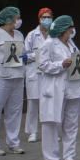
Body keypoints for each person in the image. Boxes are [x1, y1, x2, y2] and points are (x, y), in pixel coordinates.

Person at [38, 15, 80, 160]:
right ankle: (51, 158)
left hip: (73, 88)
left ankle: (69, 156)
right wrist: (61, 64)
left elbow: (76, 61)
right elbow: (42, 65)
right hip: (55, 89)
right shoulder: (48, 43)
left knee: (71, 124)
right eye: (71, 27)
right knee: (52, 123)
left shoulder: (70, 43)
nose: (73, 30)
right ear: (64, 29)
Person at [0, 6, 27, 156]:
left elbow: (23, 53)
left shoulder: (20, 35)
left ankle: (13, 143)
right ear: (9, 18)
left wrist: (26, 57)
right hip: (0, 77)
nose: (19, 20)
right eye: (17, 17)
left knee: (14, 112)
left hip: (18, 76)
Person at [23, 8, 53, 142]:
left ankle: (51, 131)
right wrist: (38, 55)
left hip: (49, 73)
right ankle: (32, 132)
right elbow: (24, 55)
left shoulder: (54, 34)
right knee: (33, 103)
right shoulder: (31, 35)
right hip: (34, 74)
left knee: (50, 102)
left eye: (49, 17)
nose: (46, 19)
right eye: (44, 17)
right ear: (39, 19)